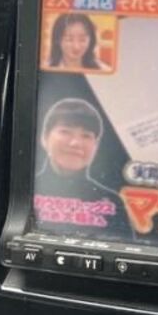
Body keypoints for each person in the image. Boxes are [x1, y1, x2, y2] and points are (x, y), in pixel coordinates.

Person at [34, 98, 134, 240]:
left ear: (96, 146)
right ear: (44, 138)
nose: (75, 143)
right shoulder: (24, 189)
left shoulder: (111, 202)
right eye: (65, 131)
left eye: (86, 135)